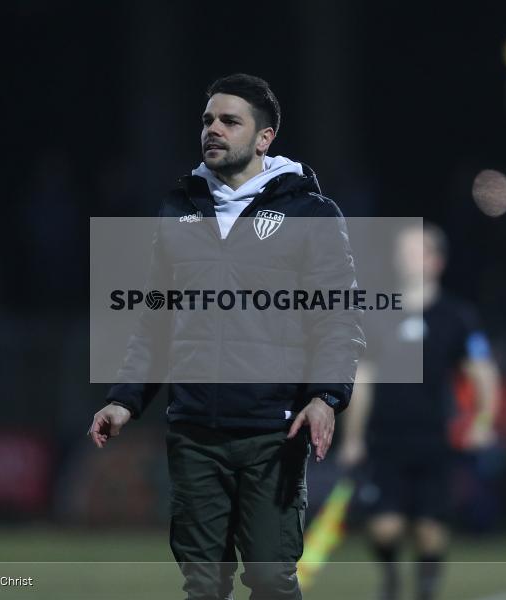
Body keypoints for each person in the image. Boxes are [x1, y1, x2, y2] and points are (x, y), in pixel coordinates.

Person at [89, 73, 364, 600]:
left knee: (270, 580)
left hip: (272, 434)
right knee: (202, 585)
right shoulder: (178, 209)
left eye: (229, 121)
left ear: (264, 138)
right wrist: (125, 398)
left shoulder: (312, 213)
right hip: (194, 432)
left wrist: (327, 396)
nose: (212, 130)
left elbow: (337, 318)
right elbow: (157, 319)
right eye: (207, 120)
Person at [338, 223, 499, 600]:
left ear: (436, 260)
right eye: (403, 249)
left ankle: (425, 590)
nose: (405, 256)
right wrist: (353, 438)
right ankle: (392, 579)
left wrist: (483, 420)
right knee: (384, 529)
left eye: (415, 249)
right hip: (386, 440)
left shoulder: (457, 316)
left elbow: (483, 372)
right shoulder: (377, 313)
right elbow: (364, 379)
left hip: (436, 441)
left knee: (430, 532)